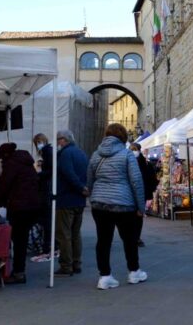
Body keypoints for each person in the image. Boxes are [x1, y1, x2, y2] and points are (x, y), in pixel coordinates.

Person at [87, 123, 147, 290]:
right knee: (129, 239)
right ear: (122, 137)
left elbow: (90, 179)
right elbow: (136, 181)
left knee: (103, 240)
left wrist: (93, 195)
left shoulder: (95, 155)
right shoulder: (126, 155)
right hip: (123, 204)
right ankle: (134, 272)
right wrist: (140, 207)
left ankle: (104, 276)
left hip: (100, 204)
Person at [0, 143, 41, 284]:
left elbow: (3, 186)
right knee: (20, 239)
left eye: (1, 159)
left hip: (20, 208)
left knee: (18, 240)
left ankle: (18, 272)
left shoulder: (11, 165)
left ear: (5, 156)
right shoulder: (26, 163)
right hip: (32, 206)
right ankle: (17, 270)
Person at [53, 129, 89, 277]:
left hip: (66, 199)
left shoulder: (65, 154)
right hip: (79, 200)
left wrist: (80, 188)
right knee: (75, 233)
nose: (57, 143)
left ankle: (66, 265)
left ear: (63, 140)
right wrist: (84, 189)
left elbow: (68, 174)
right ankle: (76, 263)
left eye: (58, 140)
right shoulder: (81, 153)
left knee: (64, 234)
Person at [32, 133, 55, 262]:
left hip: (47, 190)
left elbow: (50, 171)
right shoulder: (48, 151)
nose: (38, 144)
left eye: (39, 142)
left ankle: (47, 248)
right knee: (47, 221)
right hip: (47, 189)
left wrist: (38, 175)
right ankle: (49, 246)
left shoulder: (47, 151)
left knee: (47, 221)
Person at [130, 142, 157, 247]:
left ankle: (136, 237)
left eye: (135, 149)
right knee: (136, 216)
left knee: (137, 216)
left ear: (139, 150)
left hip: (137, 193)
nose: (134, 152)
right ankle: (135, 237)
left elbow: (152, 179)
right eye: (132, 149)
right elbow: (153, 180)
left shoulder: (145, 163)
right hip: (138, 193)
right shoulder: (143, 163)